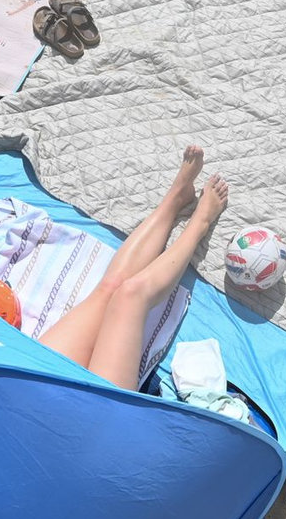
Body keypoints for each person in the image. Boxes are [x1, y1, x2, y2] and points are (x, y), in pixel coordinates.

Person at [39, 147, 228, 390]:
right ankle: (199, 222)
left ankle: (176, 198)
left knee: (110, 288)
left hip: (25, 389)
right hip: (92, 415)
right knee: (131, 295)